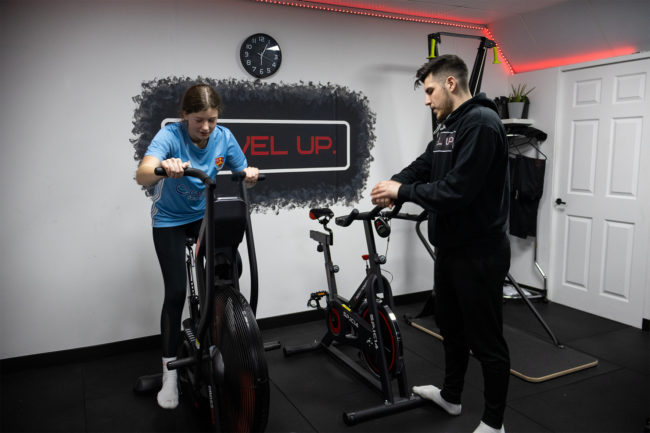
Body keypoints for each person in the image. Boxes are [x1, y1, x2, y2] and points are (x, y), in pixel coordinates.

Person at [370, 55, 511, 433]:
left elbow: (458, 191)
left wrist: (405, 191)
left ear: (451, 84)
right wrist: (393, 188)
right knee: (451, 327)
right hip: (450, 247)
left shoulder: (481, 123)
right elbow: (425, 164)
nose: (427, 99)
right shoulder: (450, 125)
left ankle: (495, 424)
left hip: (480, 252)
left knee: (486, 340)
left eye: (430, 90)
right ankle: (451, 397)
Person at [136, 83, 259, 410]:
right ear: (184, 115)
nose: (206, 127)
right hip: (170, 222)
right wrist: (163, 168)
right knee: (176, 292)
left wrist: (248, 174)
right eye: (198, 120)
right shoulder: (171, 136)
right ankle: (170, 374)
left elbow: (241, 168)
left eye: (212, 120)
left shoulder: (224, 137)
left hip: (205, 216)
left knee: (225, 276)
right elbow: (143, 174)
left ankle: (219, 346)